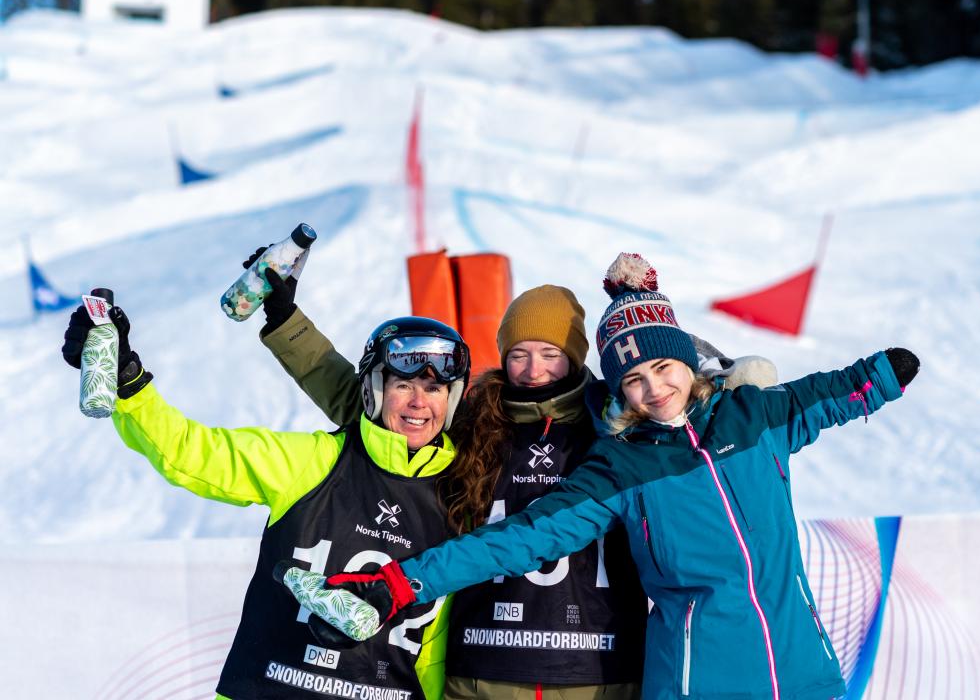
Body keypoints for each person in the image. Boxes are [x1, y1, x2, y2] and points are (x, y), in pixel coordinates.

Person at [286, 252, 922, 700]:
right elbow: (520, 539)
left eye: (663, 369)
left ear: (687, 362)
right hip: (697, 683)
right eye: (633, 380)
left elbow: (829, 395)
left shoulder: (754, 419)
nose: (654, 389)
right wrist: (402, 582)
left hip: (808, 676)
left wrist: (881, 376)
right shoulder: (622, 467)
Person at [61, 304, 472, 700]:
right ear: (375, 391)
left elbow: (433, 650)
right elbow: (189, 452)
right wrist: (127, 381)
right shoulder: (312, 461)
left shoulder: (462, 499)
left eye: (434, 388)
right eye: (403, 385)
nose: (419, 403)